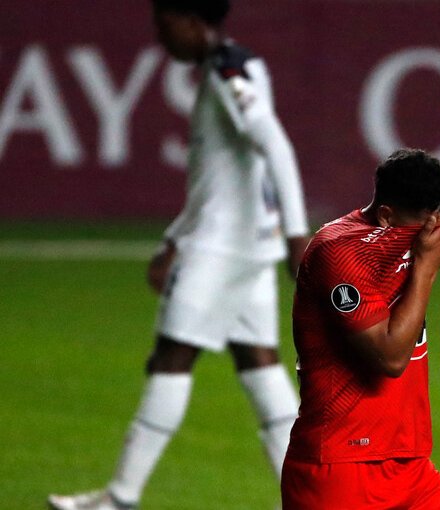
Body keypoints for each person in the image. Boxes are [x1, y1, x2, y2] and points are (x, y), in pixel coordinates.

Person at [48, 1, 310, 509]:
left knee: (171, 358)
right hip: (247, 243)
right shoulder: (232, 65)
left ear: (193, 21)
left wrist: (299, 237)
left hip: (222, 249)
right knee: (259, 365)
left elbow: (276, 147)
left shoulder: (230, 73)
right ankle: (310, 496)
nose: (161, 38)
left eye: (165, 25)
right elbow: (222, 180)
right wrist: (174, 237)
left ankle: (120, 498)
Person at [281, 149, 440, 510]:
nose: (437, 237)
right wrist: (425, 269)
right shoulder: (339, 252)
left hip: (409, 465)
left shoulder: (406, 239)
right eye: (424, 227)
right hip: (341, 469)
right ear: (386, 217)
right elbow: (391, 356)